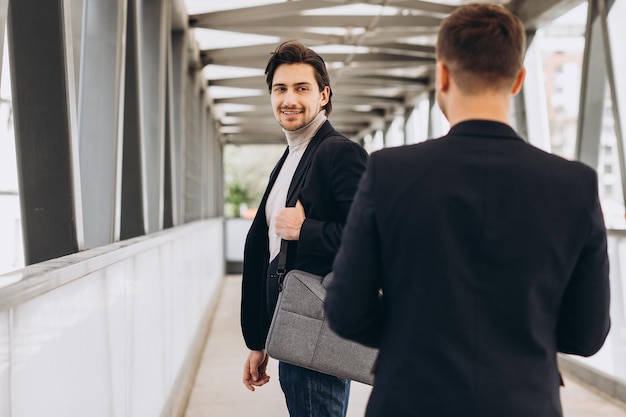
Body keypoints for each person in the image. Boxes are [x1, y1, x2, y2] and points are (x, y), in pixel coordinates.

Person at [324, 4, 611, 417]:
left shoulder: (389, 172)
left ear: (442, 75)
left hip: (410, 399)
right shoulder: (575, 186)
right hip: (525, 403)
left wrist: (409, 326)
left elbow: (346, 312)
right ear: (519, 81)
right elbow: (586, 335)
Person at [240, 40, 368, 416]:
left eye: (301, 88)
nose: (289, 99)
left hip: (317, 331)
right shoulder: (292, 156)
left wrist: (306, 229)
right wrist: (261, 340)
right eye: (280, 89)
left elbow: (371, 240)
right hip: (294, 329)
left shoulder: (338, 152)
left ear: (324, 95)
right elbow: (270, 252)